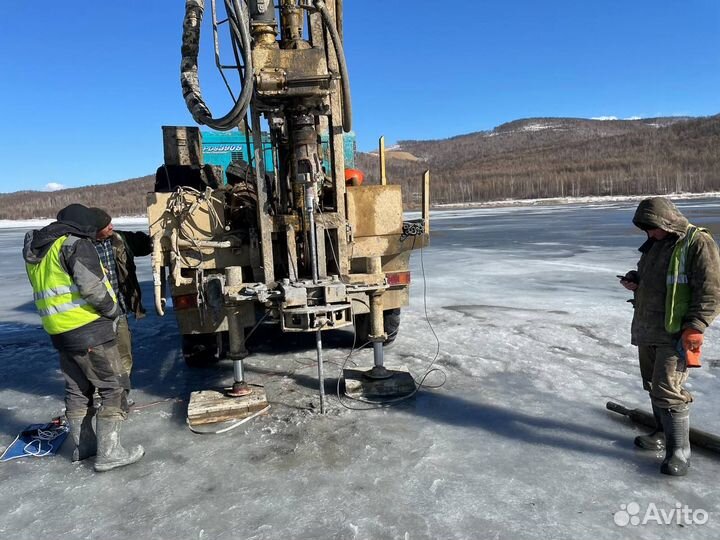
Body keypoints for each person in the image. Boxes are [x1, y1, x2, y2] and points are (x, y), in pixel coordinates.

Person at [23, 203, 144, 472]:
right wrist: (112, 311)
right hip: (89, 329)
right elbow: (92, 288)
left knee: (77, 390)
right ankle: (110, 453)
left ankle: (84, 447)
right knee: (114, 387)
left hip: (59, 331)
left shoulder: (40, 249)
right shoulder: (73, 244)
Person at [620, 197, 720, 476]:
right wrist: (634, 280)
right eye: (646, 229)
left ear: (666, 221)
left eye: (652, 227)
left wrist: (696, 326)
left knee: (668, 389)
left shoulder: (697, 243)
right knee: (653, 384)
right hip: (648, 328)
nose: (649, 233)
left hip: (678, 333)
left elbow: (711, 293)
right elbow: (651, 279)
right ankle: (661, 434)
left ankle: (680, 451)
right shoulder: (656, 244)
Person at [88, 207, 152, 382]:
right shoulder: (81, 248)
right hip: (93, 314)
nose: (111, 227)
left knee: (124, 353)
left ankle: (121, 394)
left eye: (110, 222)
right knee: (100, 359)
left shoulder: (119, 240)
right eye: (106, 225)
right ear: (93, 229)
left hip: (118, 309)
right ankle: (103, 395)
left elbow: (147, 243)